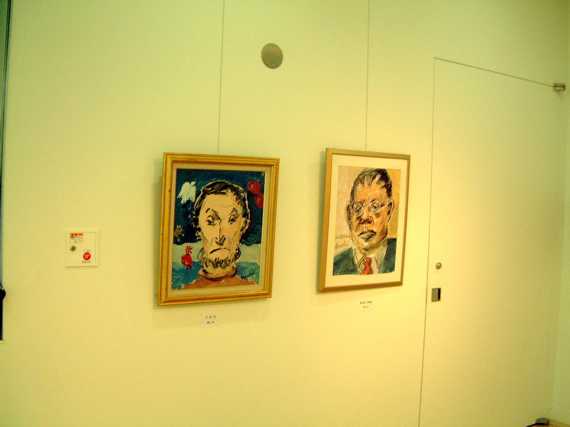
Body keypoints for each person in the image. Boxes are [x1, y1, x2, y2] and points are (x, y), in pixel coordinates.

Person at [185, 180, 255, 287]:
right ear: (198, 227)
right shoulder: (184, 285)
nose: (220, 236)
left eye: (232, 220)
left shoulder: (252, 284)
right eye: (210, 221)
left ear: (244, 225)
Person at [333, 168, 397, 275]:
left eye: (375, 206)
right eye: (357, 208)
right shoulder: (335, 267)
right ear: (349, 214)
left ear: (389, 210)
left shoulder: (402, 254)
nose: (364, 216)